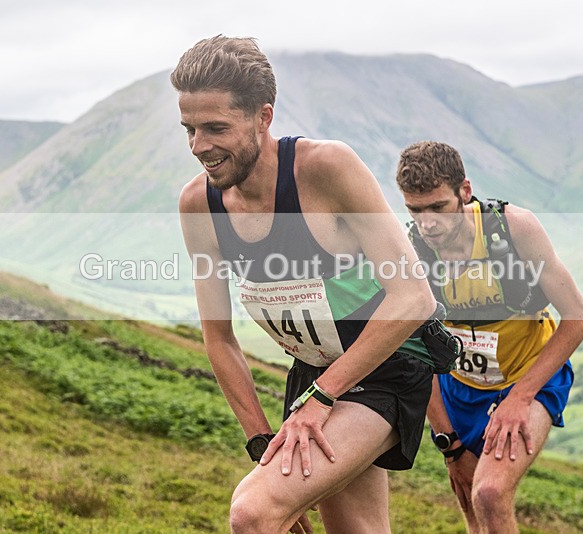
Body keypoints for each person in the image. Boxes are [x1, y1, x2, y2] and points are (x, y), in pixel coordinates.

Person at [173, 35, 438, 533]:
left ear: (263, 117)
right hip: (312, 374)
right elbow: (219, 338)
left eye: (215, 128)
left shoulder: (325, 169)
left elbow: (413, 297)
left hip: (384, 367)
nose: (199, 146)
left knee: (253, 512)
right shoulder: (198, 207)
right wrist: (260, 443)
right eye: (189, 129)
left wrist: (320, 399)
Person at [395, 141, 583, 534]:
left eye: (437, 207)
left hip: (528, 375)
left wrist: (520, 398)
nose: (427, 222)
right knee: (471, 506)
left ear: (464, 192)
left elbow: (576, 318)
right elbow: (417, 351)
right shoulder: (411, 250)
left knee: (489, 493)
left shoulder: (513, 229)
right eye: (415, 210)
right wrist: (447, 441)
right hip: (458, 387)